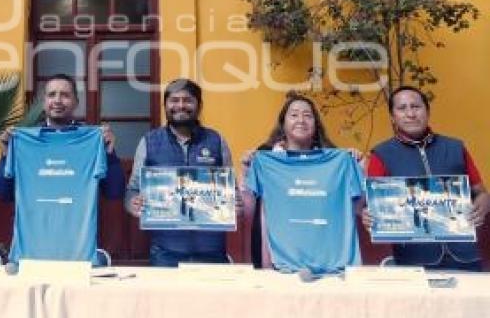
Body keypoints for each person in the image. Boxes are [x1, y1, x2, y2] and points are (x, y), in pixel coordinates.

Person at [0, 73, 125, 262]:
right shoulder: (24, 140)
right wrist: (7, 155)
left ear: (76, 102)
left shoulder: (90, 141)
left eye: (65, 95)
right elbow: (4, 194)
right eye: (52, 94)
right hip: (32, 253)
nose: (57, 100)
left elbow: (114, 192)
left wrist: (110, 154)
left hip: (78, 254)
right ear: (43, 101)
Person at [364, 85, 490, 271]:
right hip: (414, 260)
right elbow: (371, 208)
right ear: (393, 117)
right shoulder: (381, 155)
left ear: (427, 111)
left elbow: (481, 192)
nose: (410, 113)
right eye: (402, 108)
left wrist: (484, 203)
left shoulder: (456, 148)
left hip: (465, 255)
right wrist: (370, 216)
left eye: (416, 106)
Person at [244, 94, 364, 274]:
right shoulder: (264, 159)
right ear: (282, 124)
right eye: (293, 115)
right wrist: (245, 169)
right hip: (281, 264)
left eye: (308, 115)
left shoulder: (339, 160)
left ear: (316, 125)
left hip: (333, 265)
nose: (301, 120)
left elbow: (357, 207)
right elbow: (246, 211)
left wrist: (360, 168)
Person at [125, 78, 235, 267]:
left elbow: (232, 192)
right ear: (165, 105)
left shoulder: (216, 141)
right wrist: (133, 203)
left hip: (212, 252)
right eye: (174, 100)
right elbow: (133, 190)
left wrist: (236, 203)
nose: (181, 105)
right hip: (165, 253)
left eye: (187, 100)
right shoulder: (149, 142)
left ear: (199, 106)